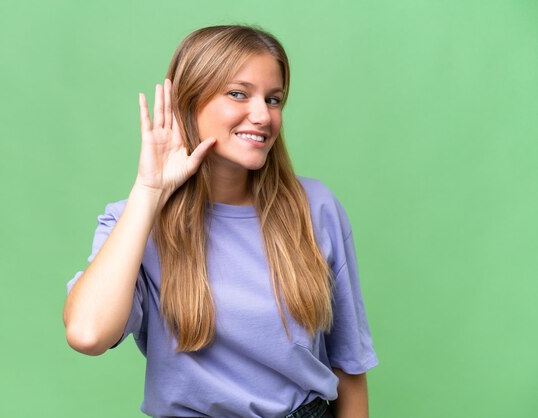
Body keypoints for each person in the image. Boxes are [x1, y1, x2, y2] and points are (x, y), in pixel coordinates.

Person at [62, 24, 378, 418]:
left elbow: (349, 366)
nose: (263, 115)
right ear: (188, 103)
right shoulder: (135, 224)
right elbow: (87, 333)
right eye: (239, 94)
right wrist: (149, 192)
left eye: (274, 99)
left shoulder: (315, 207)